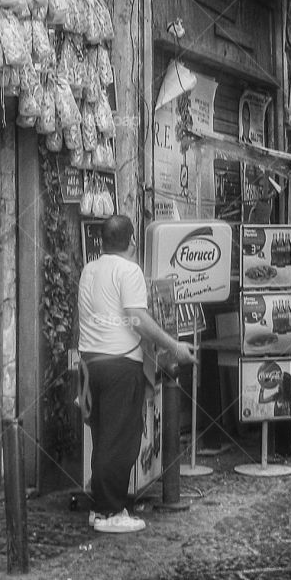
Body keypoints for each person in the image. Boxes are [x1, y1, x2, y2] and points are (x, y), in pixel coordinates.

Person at [77, 214, 196, 534]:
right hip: (119, 366)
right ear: (132, 241)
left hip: (91, 364)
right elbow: (137, 319)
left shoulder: (89, 270)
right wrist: (174, 347)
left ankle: (100, 507)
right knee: (120, 441)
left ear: (102, 241)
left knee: (103, 439)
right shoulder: (129, 271)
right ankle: (110, 511)